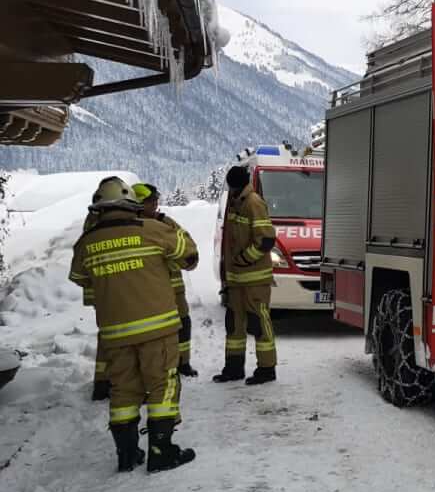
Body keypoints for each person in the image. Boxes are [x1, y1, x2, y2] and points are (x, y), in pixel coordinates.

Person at [69, 176, 199, 473]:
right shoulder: (152, 230)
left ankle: (127, 455)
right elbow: (189, 254)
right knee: (163, 385)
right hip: (157, 328)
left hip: (115, 333)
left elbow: (79, 278)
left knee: (123, 392)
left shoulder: (86, 242)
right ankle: (161, 451)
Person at [214, 164, 278, 385]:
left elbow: (266, 240)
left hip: (255, 280)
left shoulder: (253, 203)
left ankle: (267, 369)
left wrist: (243, 259)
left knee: (259, 323)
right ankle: (234, 368)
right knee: (234, 325)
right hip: (236, 281)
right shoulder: (234, 203)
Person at [133, 183, 198, 377]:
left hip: (174, 288)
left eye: (156, 200)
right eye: (150, 201)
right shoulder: (131, 228)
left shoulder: (165, 222)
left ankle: (183, 363)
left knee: (183, 323)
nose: (155, 204)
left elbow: (187, 245)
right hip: (146, 291)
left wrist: (185, 259)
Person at [80, 206, 110, 401]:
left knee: (107, 335)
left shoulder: (93, 222)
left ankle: (102, 382)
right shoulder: (106, 225)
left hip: (100, 290)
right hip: (111, 290)